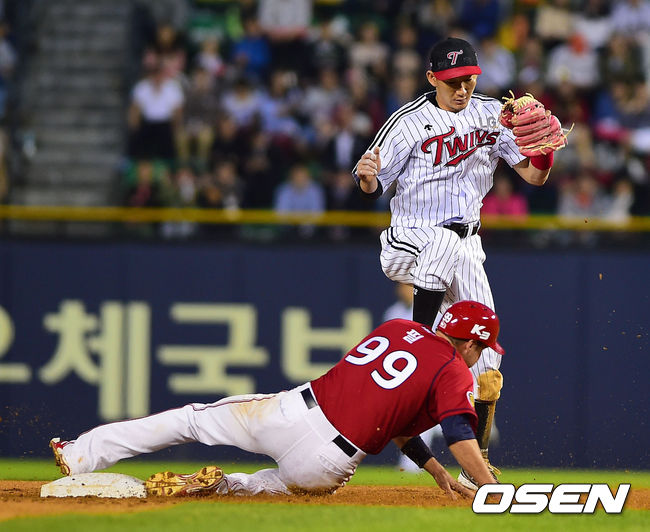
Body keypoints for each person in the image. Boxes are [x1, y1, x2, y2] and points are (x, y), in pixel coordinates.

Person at [353, 37, 562, 490]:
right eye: (452, 82)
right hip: (410, 238)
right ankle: (419, 343)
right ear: (432, 78)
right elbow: (371, 184)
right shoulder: (407, 122)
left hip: (466, 245)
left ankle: (477, 463)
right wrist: (367, 179)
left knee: (488, 357)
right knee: (443, 244)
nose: (462, 88)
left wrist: (543, 151)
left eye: (468, 79)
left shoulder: (492, 114)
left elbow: (534, 176)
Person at [49, 301, 503, 499]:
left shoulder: (397, 328)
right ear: (470, 342)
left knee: (191, 421)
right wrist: (490, 488)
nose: (479, 356)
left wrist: (436, 471)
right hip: (328, 463)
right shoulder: (453, 368)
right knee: (277, 490)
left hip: (289, 414)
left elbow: (394, 416)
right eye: (481, 347)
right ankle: (220, 487)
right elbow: (459, 434)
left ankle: (81, 454)